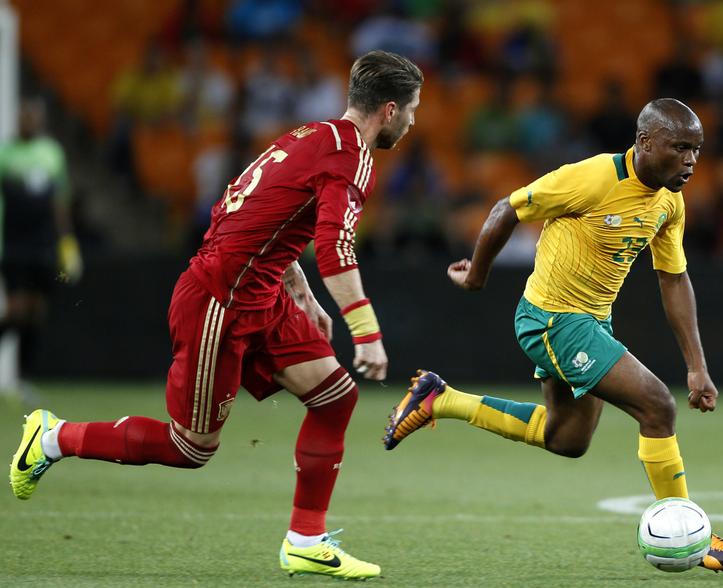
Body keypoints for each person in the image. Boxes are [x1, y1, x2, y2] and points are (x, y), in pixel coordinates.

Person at [11, 50, 423, 581]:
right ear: (389, 110)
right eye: (412, 109)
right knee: (191, 448)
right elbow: (335, 249)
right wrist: (365, 332)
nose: (413, 122)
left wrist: (303, 294)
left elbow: (246, 212)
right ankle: (51, 437)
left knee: (335, 396)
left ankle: (305, 540)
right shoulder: (351, 159)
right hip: (220, 302)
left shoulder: (310, 135)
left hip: (262, 292)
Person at [384, 98, 723, 573]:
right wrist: (477, 274)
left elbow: (674, 279)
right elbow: (507, 207)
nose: (690, 161)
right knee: (657, 405)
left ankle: (440, 398)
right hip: (553, 319)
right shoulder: (593, 178)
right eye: (679, 148)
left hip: (592, 322)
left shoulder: (670, 202)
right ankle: (695, 535)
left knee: (567, 439)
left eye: (697, 151)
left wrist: (697, 365)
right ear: (644, 142)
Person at [0, 96, 82, 400]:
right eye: (24, 116)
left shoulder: (51, 153)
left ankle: (22, 379)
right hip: (13, 243)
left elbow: (59, 199)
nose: (29, 121)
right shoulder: (5, 155)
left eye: (33, 116)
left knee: (36, 311)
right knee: (17, 307)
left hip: (44, 244)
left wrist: (67, 242)